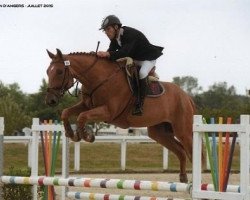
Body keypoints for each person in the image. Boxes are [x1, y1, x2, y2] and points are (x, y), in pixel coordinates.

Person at [97, 15, 164, 115]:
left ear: (116, 27)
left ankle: (140, 104)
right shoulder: (115, 38)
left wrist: (108, 54)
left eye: (108, 29)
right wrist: (99, 57)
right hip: (136, 59)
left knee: (142, 73)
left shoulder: (129, 34)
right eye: (105, 30)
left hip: (148, 58)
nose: (106, 32)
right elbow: (110, 51)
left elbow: (124, 52)